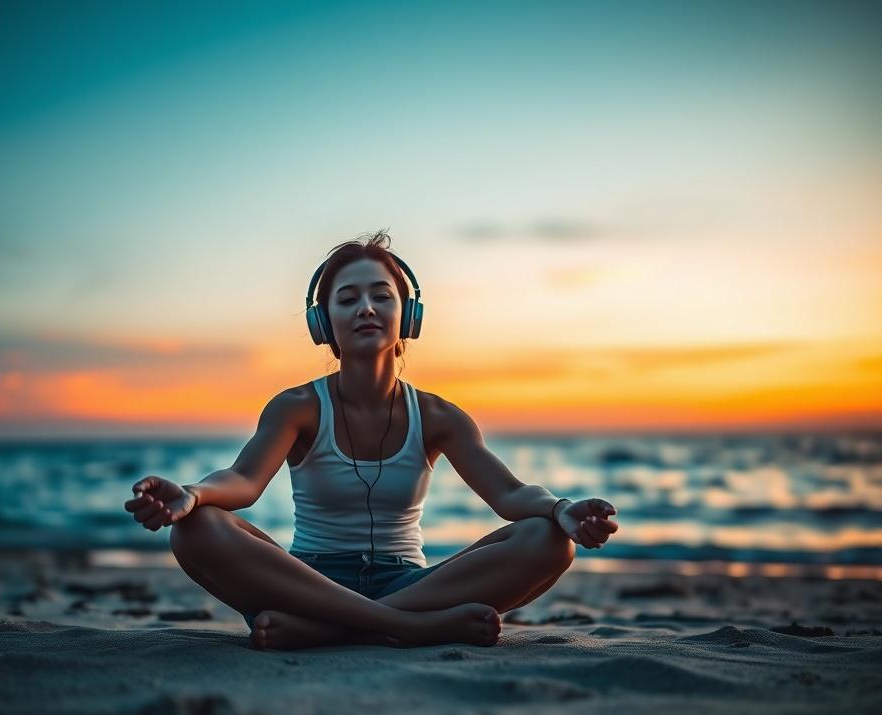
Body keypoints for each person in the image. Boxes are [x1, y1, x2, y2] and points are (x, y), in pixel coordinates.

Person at [123, 230, 619, 650]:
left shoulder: (439, 416)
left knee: (549, 542)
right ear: (323, 324)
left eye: (382, 296)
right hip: (306, 581)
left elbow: (510, 494)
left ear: (407, 314)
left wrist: (561, 509)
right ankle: (406, 627)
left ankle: (331, 629)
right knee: (195, 529)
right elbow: (242, 480)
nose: (366, 308)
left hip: (410, 583)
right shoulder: (297, 406)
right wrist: (193, 495)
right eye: (347, 299)